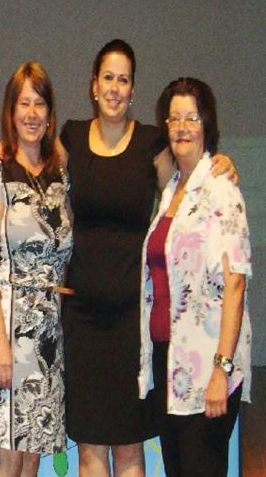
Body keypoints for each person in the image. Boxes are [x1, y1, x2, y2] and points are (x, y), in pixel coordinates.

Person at [0, 40, 237, 476]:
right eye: (108, 78)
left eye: (124, 79)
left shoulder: (152, 145)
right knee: (89, 449)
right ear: (93, 86)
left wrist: (222, 162)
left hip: (133, 322)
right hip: (80, 322)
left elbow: (187, 180)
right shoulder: (72, 140)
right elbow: (34, 158)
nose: (115, 87)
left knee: (130, 449)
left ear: (132, 89)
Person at [138, 77, 251, 477]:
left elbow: (235, 284)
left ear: (207, 124)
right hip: (169, 363)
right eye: (175, 119)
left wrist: (220, 369)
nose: (183, 127)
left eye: (192, 117)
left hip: (207, 367)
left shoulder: (221, 188)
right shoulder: (172, 189)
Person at [0, 61, 73, 477]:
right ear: (10, 112)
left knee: (31, 459)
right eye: (23, 103)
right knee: (9, 463)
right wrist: (0, 342)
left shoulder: (59, 175)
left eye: (40, 103)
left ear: (50, 114)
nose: (31, 113)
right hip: (9, 331)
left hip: (48, 334)